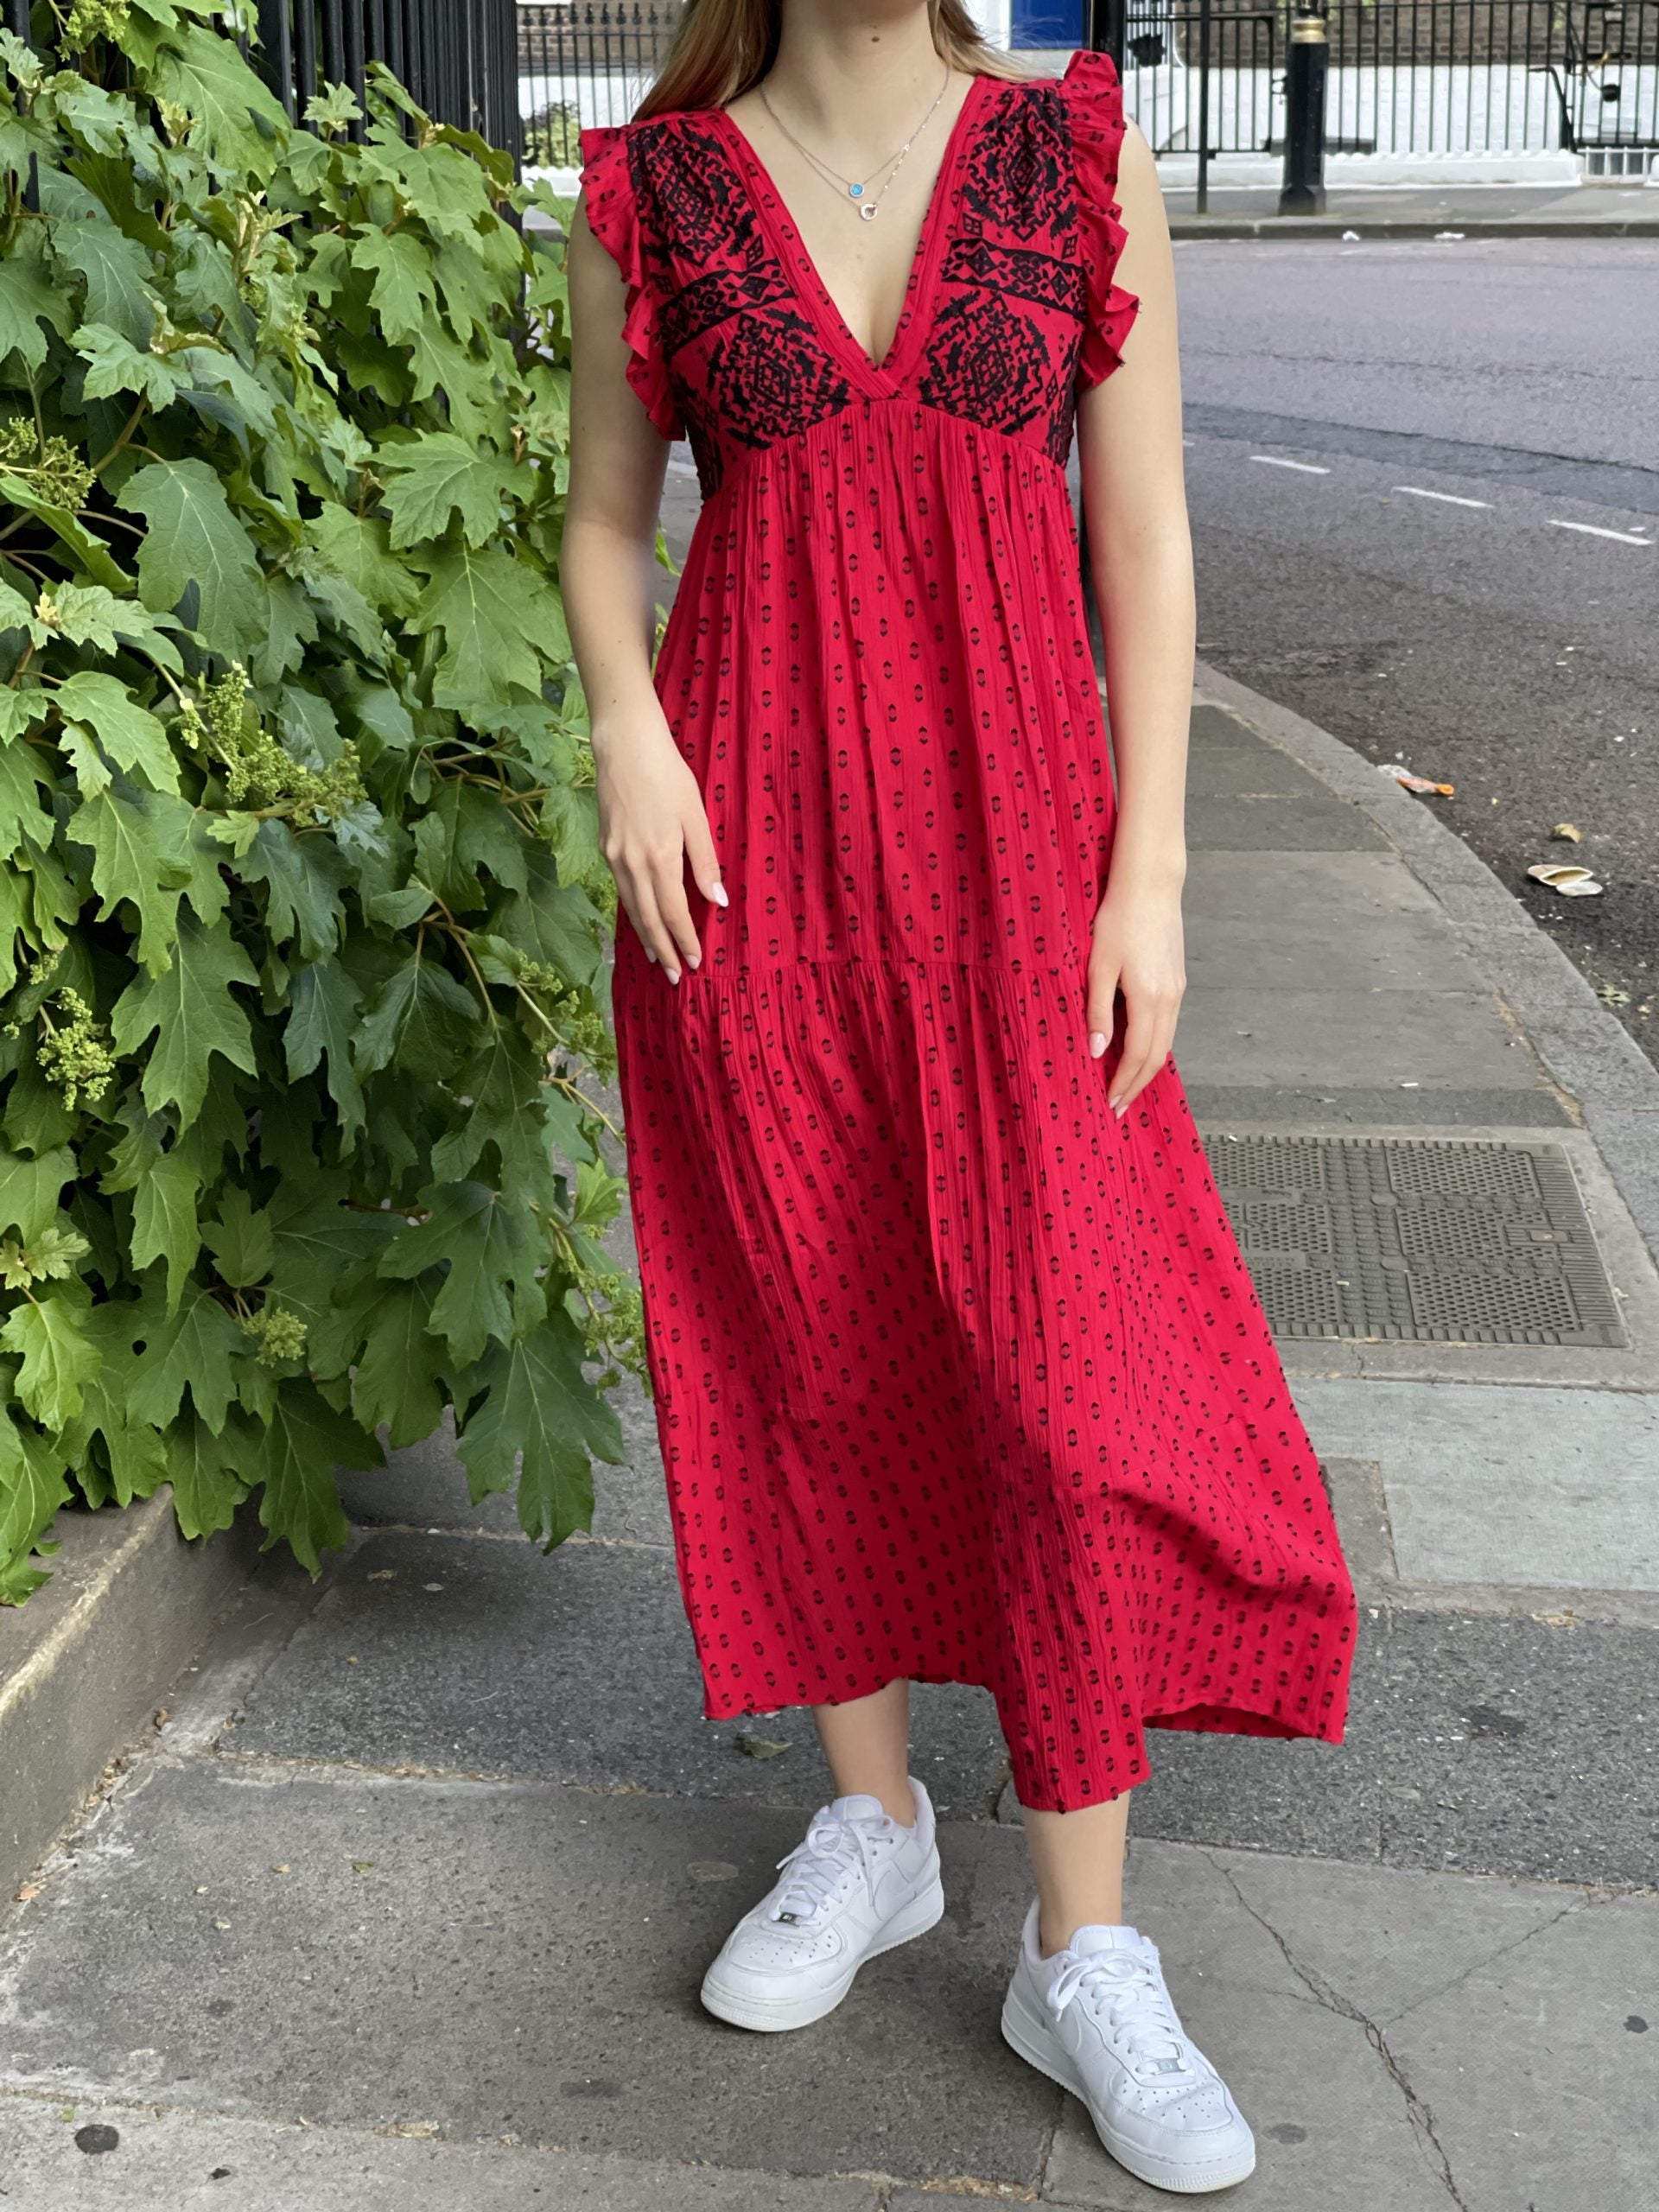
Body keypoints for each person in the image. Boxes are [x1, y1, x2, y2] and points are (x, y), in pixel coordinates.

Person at [564, 0, 1357, 2192]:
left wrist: (1159, 870)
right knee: (816, 1340)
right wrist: (631, 730)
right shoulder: (647, 188)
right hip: (762, 856)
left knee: (1065, 1384)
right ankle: (879, 1819)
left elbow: (1148, 543)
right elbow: (605, 527)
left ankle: (1082, 1946)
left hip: (1023, 859)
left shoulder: (1079, 152)